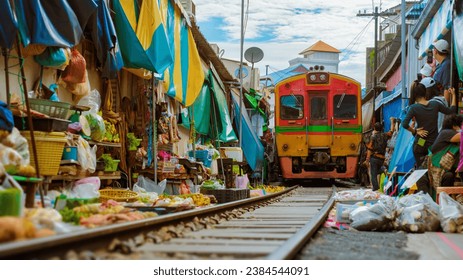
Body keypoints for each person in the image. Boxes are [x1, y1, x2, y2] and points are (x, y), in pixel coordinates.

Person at [402, 78, 457, 168]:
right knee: (433, 168)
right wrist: (454, 95)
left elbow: (404, 124)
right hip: (433, 143)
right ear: (425, 92)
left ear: (415, 95)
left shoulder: (413, 108)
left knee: (420, 169)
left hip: (421, 141)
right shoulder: (435, 104)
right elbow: (451, 111)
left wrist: (415, 131)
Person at [421, 115, 463, 194]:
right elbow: (461, 137)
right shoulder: (446, 132)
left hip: (447, 169)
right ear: (454, 126)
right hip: (438, 170)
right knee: (449, 176)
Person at [365, 120, 394, 191]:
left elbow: (370, 149)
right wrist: (392, 122)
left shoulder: (373, 137)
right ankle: (383, 169)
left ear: (374, 128)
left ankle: (375, 188)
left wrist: (367, 159)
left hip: (374, 157)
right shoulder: (385, 135)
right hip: (382, 158)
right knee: (378, 170)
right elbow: (391, 132)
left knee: (373, 174)